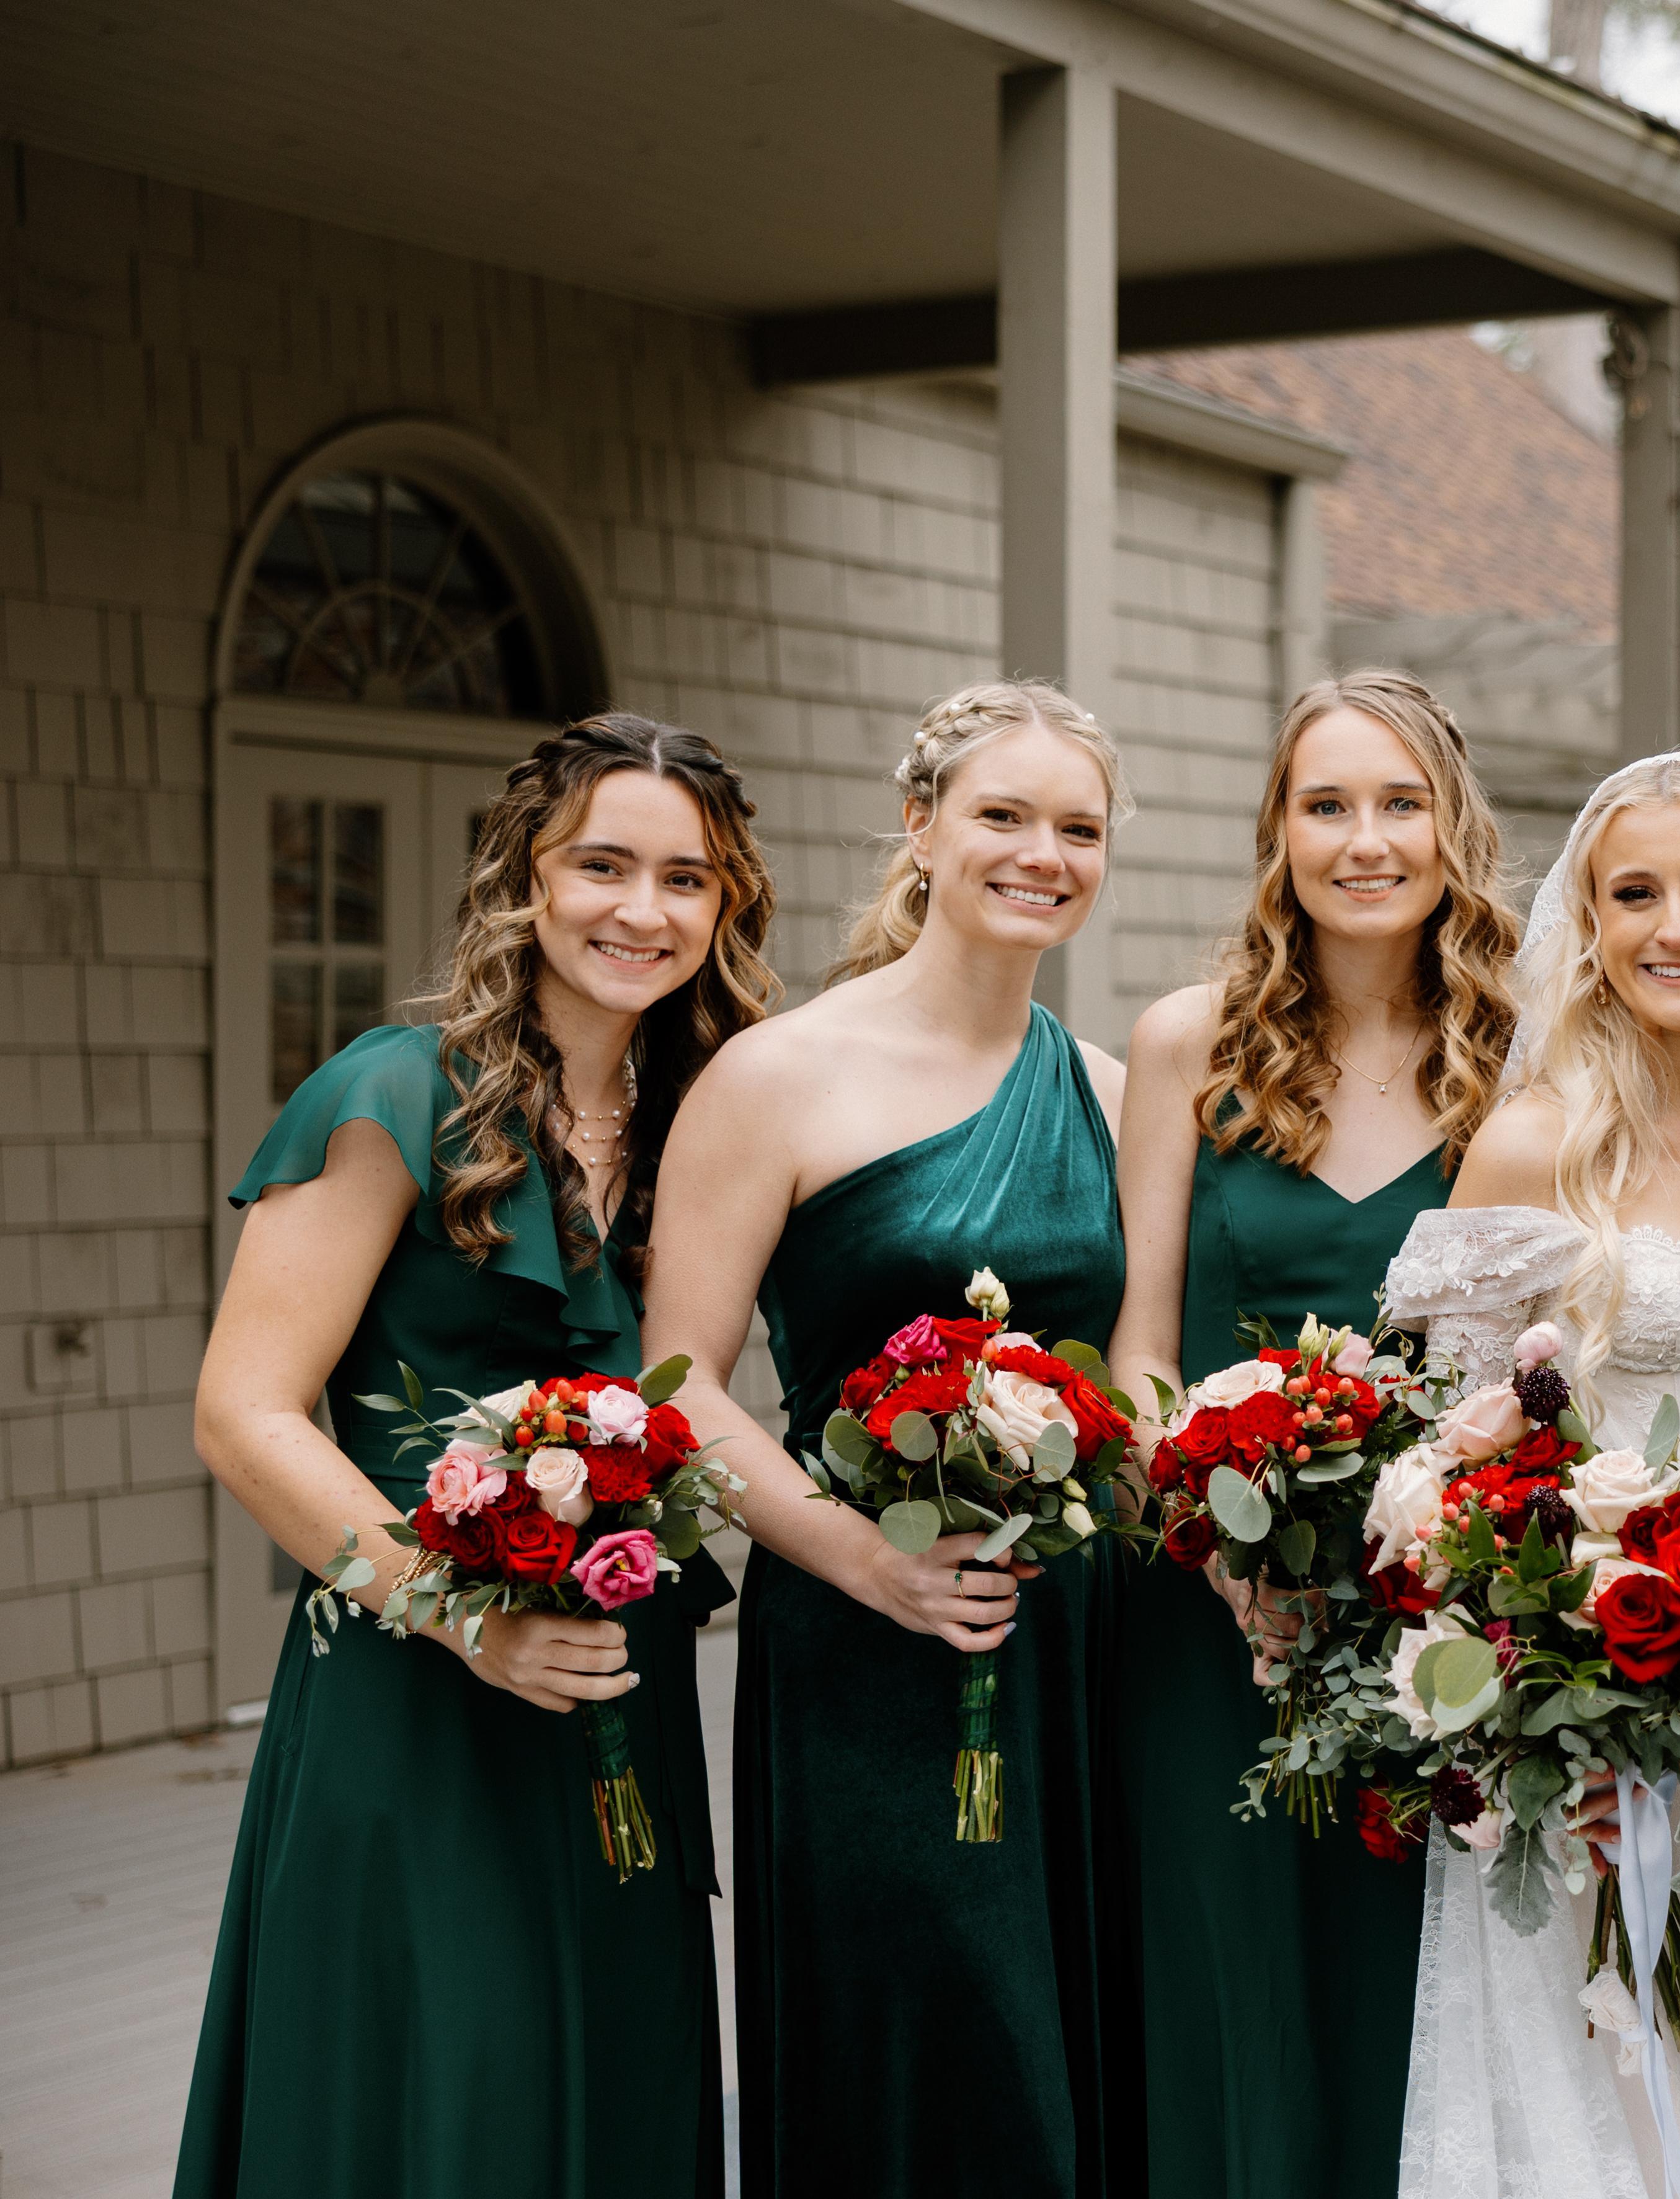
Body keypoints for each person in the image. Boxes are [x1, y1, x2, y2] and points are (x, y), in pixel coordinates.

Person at [177, 715, 777, 2198]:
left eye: (685, 879)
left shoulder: (710, 1126)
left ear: (725, 906)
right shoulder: (392, 1092)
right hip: (413, 1681)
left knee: (609, 2080)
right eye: (602, 865)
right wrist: (463, 1618)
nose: (642, 910)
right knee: (446, 2087)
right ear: (526, 876)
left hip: (615, 1688)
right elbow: (244, 1412)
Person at [646, 680, 1139, 2199]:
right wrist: (867, 1563)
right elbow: (676, 1377)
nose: (1042, 854)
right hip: (856, 1636)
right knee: (919, 2025)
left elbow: (1143, 1386)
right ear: (920, 827)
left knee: (1063, 2035)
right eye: (1003, 815)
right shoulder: (775, 1075)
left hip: (1070, 1647)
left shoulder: (1115, 1096)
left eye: (1078, 829)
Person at [1380, 751, 1680, 2199]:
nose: (1675, 927)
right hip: (1591, 1749)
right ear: (1587, 926)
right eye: (1633, 894)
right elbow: (1444, 1469)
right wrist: (1551, 1715)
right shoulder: (1537, 1143)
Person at [1103, 670, 1521, 2195]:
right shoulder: (1187, 1044)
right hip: (1218, 1624)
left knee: (1420, 2005)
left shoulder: (1527, 1056)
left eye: (1401, 804)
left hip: (1449, 1625)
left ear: (1452, 826)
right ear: (1278, 830)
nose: (1366, 840)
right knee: (1235, 2000)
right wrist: (1219, 1539)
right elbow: (1144, 1349)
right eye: (1326, 804)